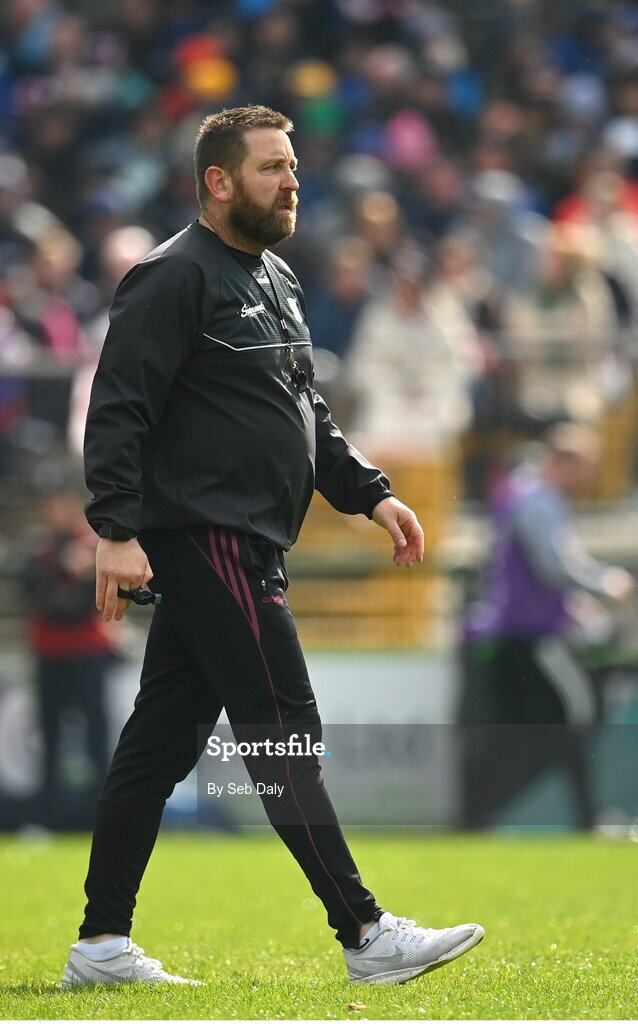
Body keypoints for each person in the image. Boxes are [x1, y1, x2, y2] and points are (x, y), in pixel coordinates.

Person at [63, 105, 484, 989]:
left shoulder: (277, 278)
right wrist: (114, 530)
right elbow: (119, 408)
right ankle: (366, 933)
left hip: (248, 540)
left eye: (292, 167)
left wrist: (371, 491)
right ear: (218, 183)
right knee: (284, 731)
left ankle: (100, 945)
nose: (293, 181)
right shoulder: (170, 277)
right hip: (209, 539)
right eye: (270, 169)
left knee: (158, 744)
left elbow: (307, 412)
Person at [459, 423, 634, 829]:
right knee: (578, 719)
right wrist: (606, 584)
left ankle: (481, 815)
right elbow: (554, 566)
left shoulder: (519, 493)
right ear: (564, 461)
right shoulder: (539, 501)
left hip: (509, 634)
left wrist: (575, 607)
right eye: (586, 466)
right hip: (533, 638)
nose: (589, 478)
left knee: (530, 733)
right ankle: (586, 818)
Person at [22, 482, 119, 822]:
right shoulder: (39, 549)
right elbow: (31, 594)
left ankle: (101, 812)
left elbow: (97, 599)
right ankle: (47, 813)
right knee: (49, 734)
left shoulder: (93, 546)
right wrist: (61, 570)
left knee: (96, 733)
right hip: (50, 652)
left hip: (87, 651)